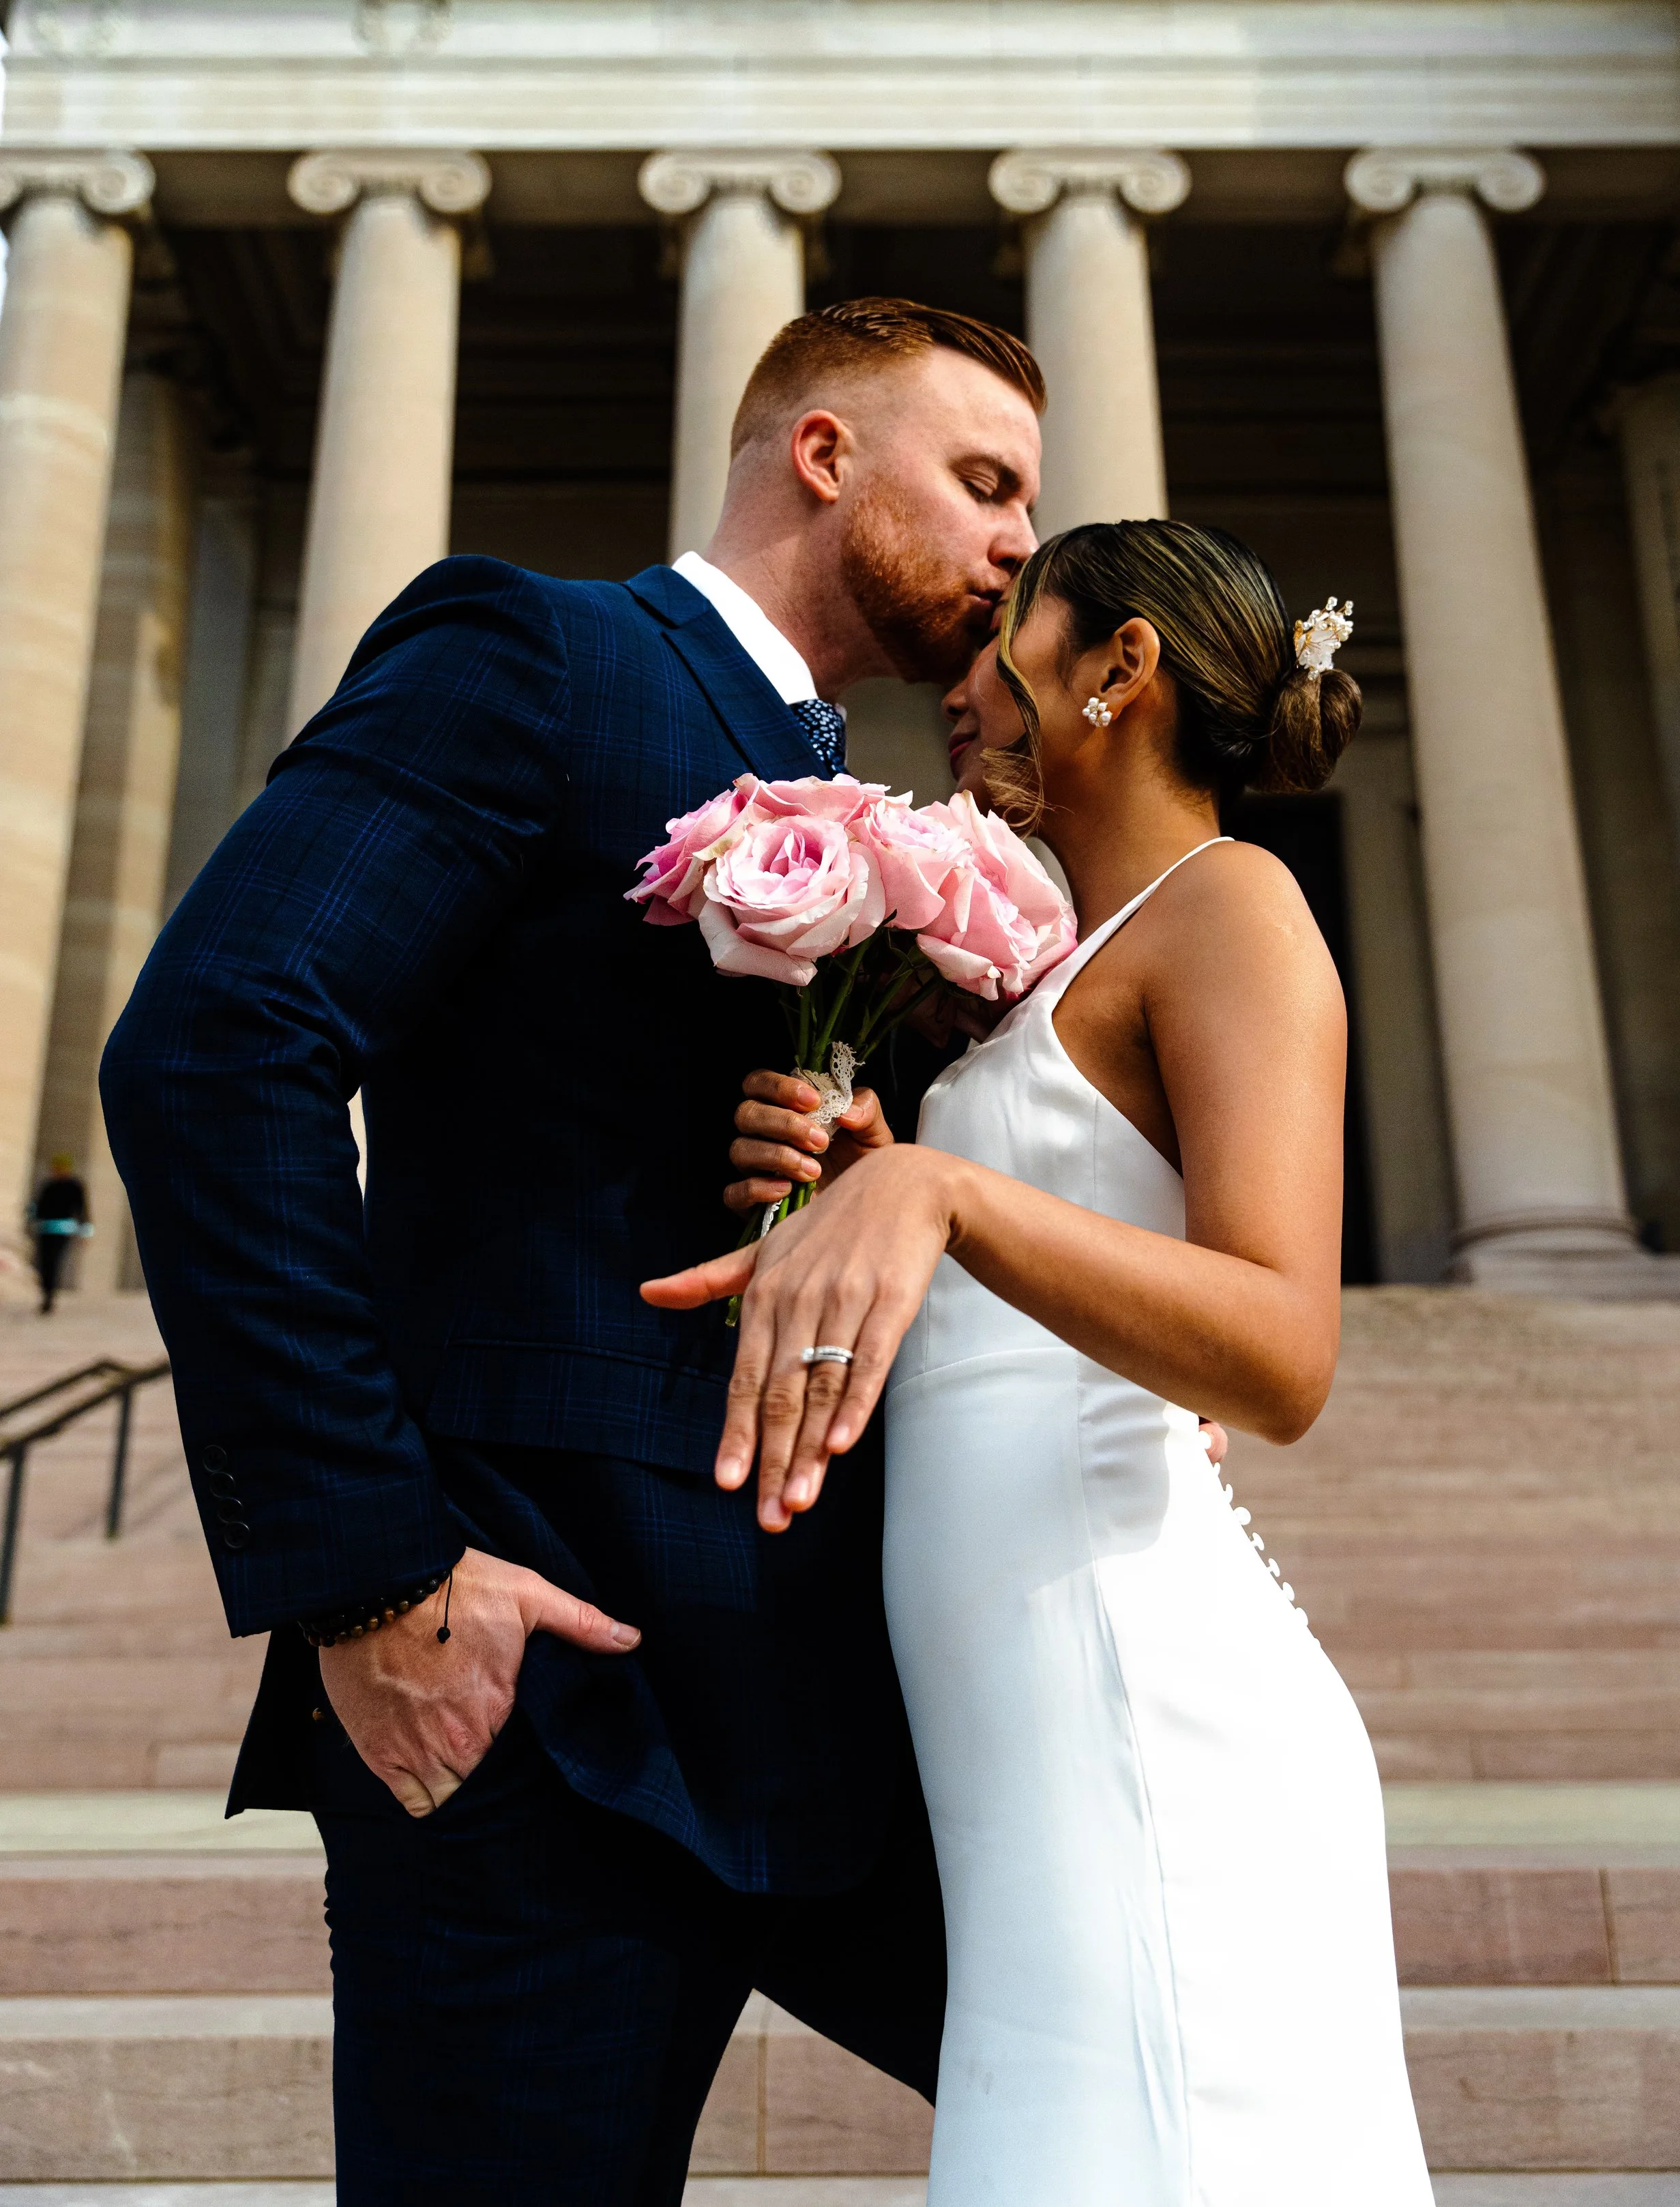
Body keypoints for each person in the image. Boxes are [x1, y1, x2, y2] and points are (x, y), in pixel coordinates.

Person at [99, 297, 1046, 2207]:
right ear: (822, 453)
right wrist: (376, 1577)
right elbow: (218, 1040)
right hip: (550, 1700)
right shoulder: (532, 650)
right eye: (984, 481)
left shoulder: (842, 778)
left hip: (836, 1693)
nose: (1020, 540)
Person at [649, 521, 1432, 2204]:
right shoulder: (1067, 955)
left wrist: (949, 1191)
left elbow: (1283, 1348)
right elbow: (1052, 1254)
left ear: (1120, 671)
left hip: (1143, 1701)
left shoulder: (1235, 904)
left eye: (1008, 637)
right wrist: (876, 1182)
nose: (965, 681)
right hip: (1021, 1724)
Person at [28, 1154, 89, 1313]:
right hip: (45, 1230)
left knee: (54, 1262)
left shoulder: (74, 1186)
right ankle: (46, 1292)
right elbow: (38, 1206)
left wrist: (86, 1233)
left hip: (62, 1230)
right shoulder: (49, 1186)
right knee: (44, 1263)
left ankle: (49, 1296)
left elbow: (82, 1210)